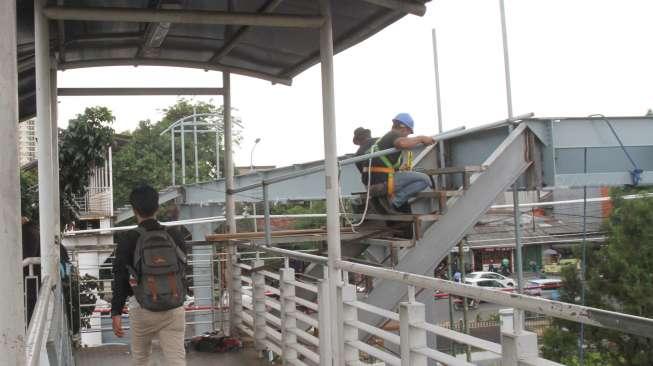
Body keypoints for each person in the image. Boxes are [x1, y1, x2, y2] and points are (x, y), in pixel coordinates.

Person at [111, 184, 188, 366]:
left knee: (141, 359)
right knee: (177, 361)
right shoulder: (174, 235)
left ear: (134, 209)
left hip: (142, 307)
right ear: (157, 207)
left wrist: (116, 311)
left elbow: (120, 276)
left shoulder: (129, 238)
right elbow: (183, 268)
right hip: (173, 306)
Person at [363, 113, 435, 212]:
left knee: (414, 174)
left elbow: (383, 164)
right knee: (425, 179)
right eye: (408, 133)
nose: (407, 136)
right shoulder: (394, 134)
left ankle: (387, 199)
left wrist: (400, 169)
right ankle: (394, 201)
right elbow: (401, 143)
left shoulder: (384, 140)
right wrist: (421, 138)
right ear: (403, 127)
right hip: (381, 184)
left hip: (373, 184)